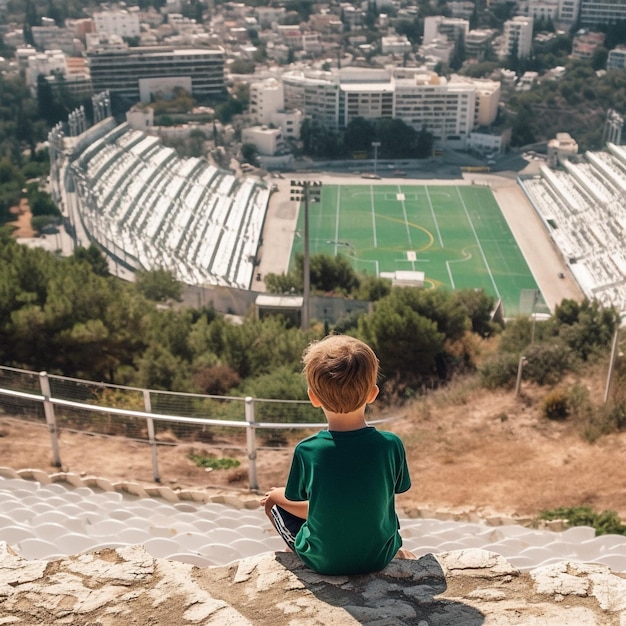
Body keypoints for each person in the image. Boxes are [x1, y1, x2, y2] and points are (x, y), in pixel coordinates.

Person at [261, 335, 412, 575]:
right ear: (373, 394)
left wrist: (276, 495)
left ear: (313, 397)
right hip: (379, 557)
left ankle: (299, 554)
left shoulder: (308, 450)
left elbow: (313, 508)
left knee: (273, 504)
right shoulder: (391, 445)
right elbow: (393, 491)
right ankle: (397, 551)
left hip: (326, 563)